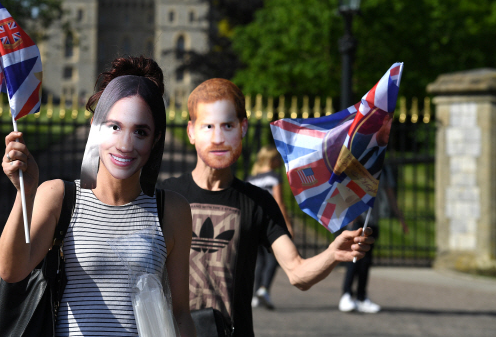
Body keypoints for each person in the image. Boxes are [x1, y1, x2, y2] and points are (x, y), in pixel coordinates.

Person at [158, 78, 374, 336]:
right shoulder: (165, 196)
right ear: (191, 131)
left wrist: (332, 254)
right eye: (208, 126)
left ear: (243, 128)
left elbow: (297, 273)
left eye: (228, 125)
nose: (218, 138)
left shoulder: (258, 202)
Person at [0, 56, 196, 336]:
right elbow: (11, 270)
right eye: (114, 127)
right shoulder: (59, 197)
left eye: (140, 131)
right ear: (95, 126)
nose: (125, 145)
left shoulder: (171, 210)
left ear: (156, 139)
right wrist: (25, 194)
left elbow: (180, 315)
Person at [338, 161, 408, 314]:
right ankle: (347, 294)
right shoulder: (355, 166)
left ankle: (362, 297)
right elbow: (344, 190)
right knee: (353, 259)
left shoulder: (384, 169)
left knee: (366, 262)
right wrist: (349, 217)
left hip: (372, 221)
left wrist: (400, 218)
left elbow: (391, 197)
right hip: (356, 221)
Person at [246, 146, 294, 310]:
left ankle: (255, 295)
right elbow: (279, 203)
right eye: (277, 159)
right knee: (273, 259)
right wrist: (287, 224)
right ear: (271, 159)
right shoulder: (274, 177)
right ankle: (264, 289)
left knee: (258, 260)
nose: (279, 162)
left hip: (253, 222)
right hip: (270, 223)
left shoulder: (251, 178)